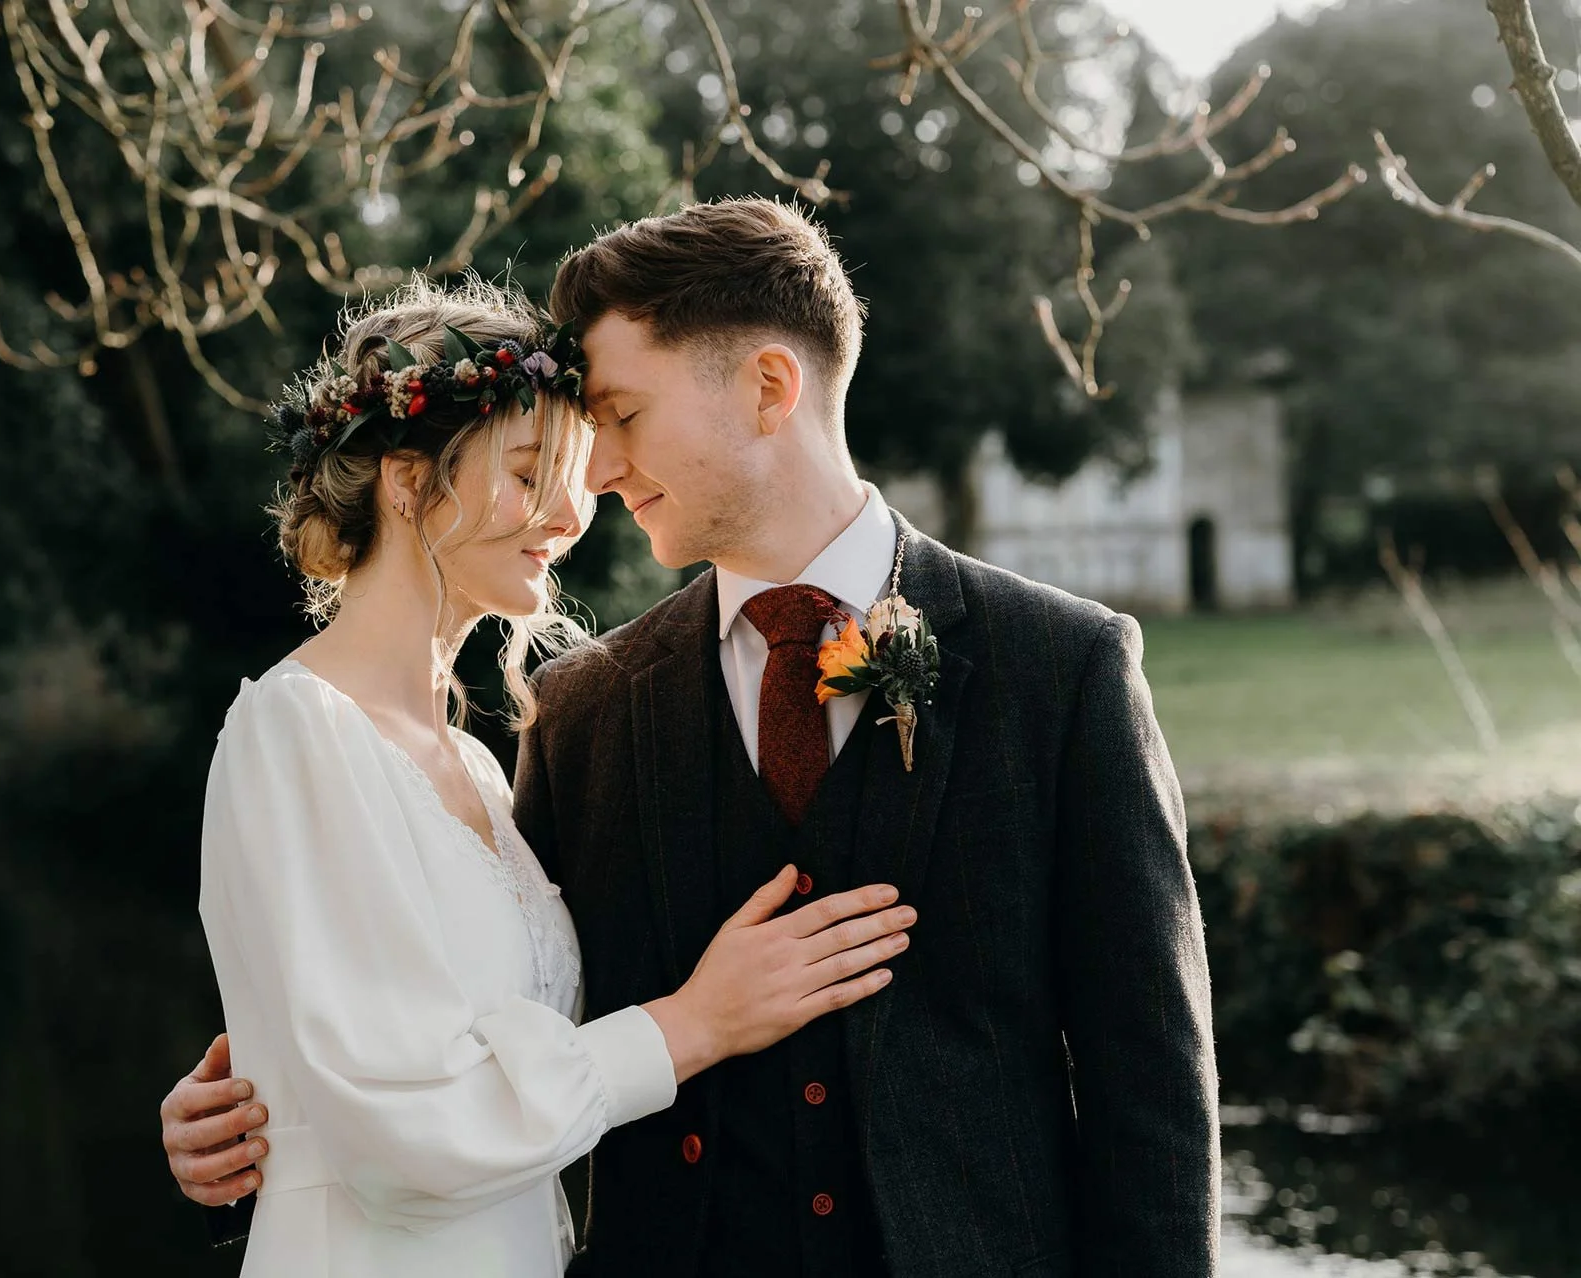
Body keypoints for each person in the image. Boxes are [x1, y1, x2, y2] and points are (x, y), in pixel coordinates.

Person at [166, 201, 1220, 1277]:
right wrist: (267, 1107)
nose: (598, 477)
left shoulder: (1063, 668)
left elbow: (1153, 1092)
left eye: (620, 414)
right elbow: (484, 1023)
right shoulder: (583, 708)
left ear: (769, 389)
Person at [191, 275, 914, 1278]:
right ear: (407, 482)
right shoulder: (295, 731)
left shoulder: (476, 766)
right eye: (531, 471)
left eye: (573, 475)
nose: (571, 512)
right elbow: (404, 1133)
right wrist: (690, 1027)